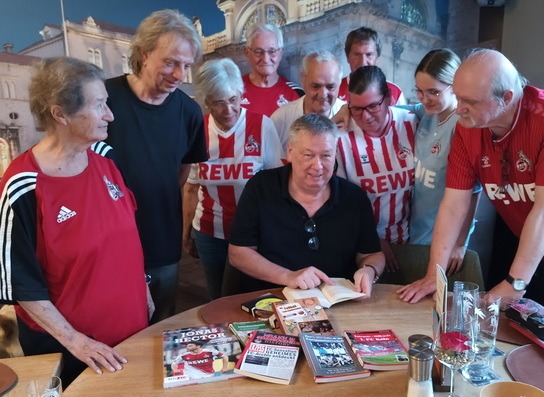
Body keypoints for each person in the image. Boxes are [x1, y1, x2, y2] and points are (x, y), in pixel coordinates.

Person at [398, 49, 544, 319]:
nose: (459, 109)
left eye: (469, 101)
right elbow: (454, 203)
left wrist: (515, 284)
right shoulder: (466, 127)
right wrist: (434, 274)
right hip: (542, 255)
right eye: (458, 98)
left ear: (506, 98)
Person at [0, 57, 152, 387]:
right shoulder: (22, 185)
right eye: (99, 106)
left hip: (132, 334)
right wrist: (75, 341)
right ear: (60, 114)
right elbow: (22, 285)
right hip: (77, 352)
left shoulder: (106, 158)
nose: (110, 115)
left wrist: (143, 284)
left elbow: (124, 233)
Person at [103, 10, 207, 323]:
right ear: (145, 54)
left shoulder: (188, 111)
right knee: (114, 326)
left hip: (161, 240)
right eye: (171, 62)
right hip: (107, 245)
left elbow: (183, 170)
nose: (179, 75)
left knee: (161, 324)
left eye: (186, 65)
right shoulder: (103, 99)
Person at [228, 114, 385, 296]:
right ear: (290, 152)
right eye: (308, 155)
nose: (317, 166)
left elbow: (373, 254)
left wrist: (369, 270)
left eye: (326, 155)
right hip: (270, 299)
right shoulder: (261, 187)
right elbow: (238, 253)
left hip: (338, 303)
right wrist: (288, 276)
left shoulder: (354, 198)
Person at [182, 58, 283, 301]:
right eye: (218, 103)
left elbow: (277, 184)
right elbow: (190, 188)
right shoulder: (198, 130)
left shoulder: (262, 126)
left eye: (233, 100)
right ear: (206, 102)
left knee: (255, 297)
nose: (228, 109)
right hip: (209, 232)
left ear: (240, 94)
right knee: (219, 298)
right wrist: (185, 233)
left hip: (253, 234)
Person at [404, 49, 481, 272]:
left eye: (433, 92)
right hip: (416, 233)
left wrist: (460, 243)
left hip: (446, 240)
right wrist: (348, 112)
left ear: (454, 87)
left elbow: (474, 193)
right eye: (419, 91)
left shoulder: (463, 127)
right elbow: (393, 111)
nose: (424, 98)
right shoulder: (425, 113)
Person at [335, 65, 417, 272]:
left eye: (373, 106)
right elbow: (340, 205)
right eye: (356, 109)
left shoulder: (412, 125)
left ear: (388, 98)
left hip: (411, 242)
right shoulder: (340, 139)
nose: (366, 117)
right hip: (360, 248)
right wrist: (373, 241)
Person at [270, 50, 346, 149]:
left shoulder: (350, 117)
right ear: (303, 80)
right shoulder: (281, 119)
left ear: (339, 83)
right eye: (315, 86)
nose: (323, 95)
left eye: (330, 87)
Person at [240, 23, 304, 116]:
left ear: (281, 52)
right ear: (247, 53)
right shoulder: (234, 91)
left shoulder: (297, 94)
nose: (265, 59)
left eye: (272, 51)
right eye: (258, 52)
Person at [338, 27, 405, 105]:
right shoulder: (334, 90)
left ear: (377, 57)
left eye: (369, 54)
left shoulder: (395, 93)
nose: (363, 62)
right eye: (357, 54)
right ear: (347, 57)